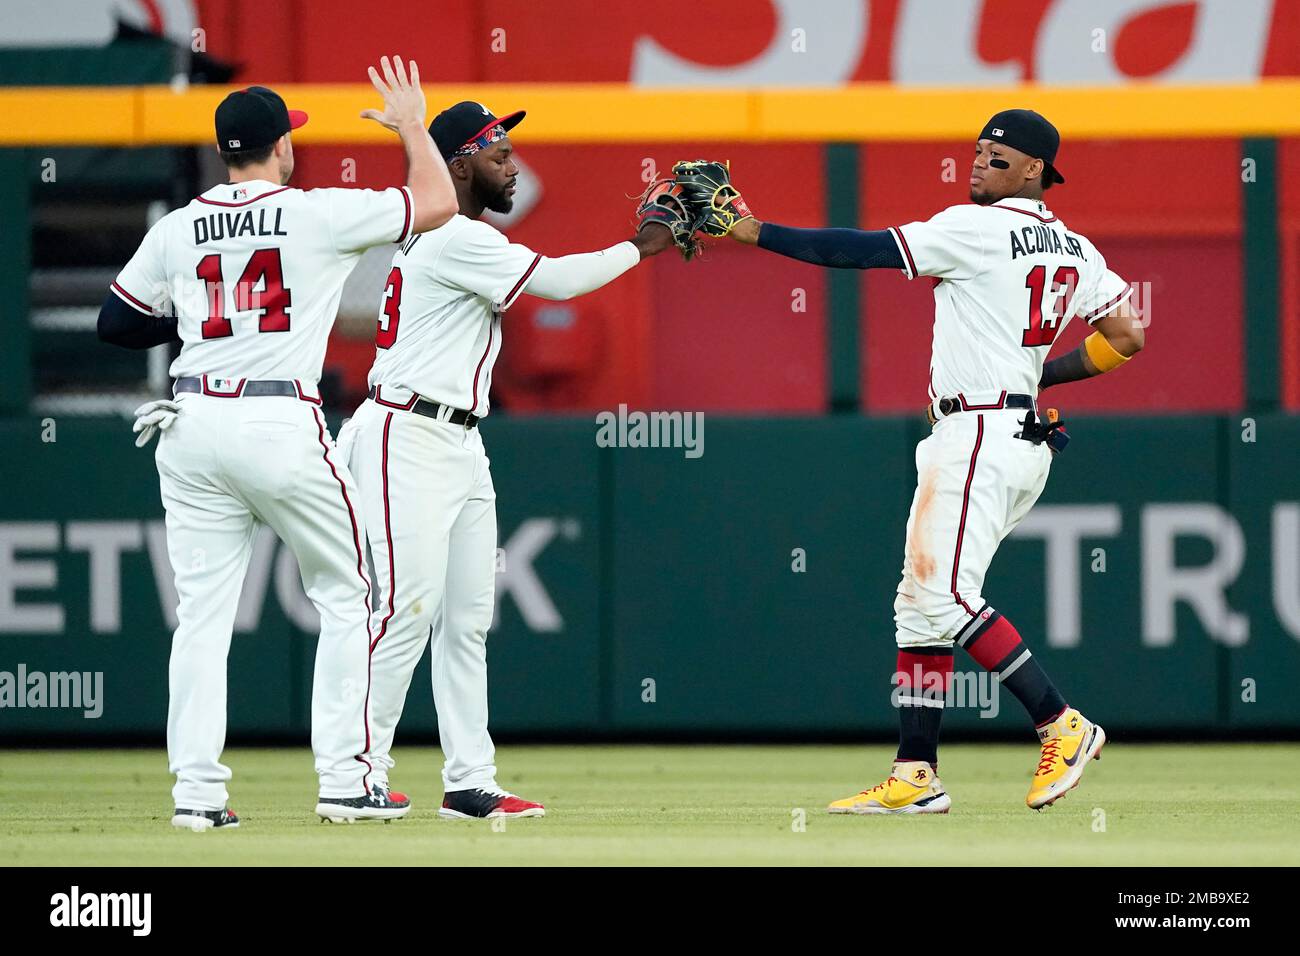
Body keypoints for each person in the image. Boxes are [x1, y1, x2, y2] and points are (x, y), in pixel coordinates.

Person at [689, 110, 1143, 813]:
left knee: (944, 599)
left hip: (979, 437)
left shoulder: (974, 227)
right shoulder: (1075, 249)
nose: (980, 161)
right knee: (918, 610)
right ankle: (916, 774)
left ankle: (1061, 721)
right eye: (978, 151)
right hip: (1009, 429)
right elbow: (1127, 334)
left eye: (998, 156)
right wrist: (1034, 380)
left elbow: (859, 251)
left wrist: (753, 231)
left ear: (1034, 172)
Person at [96, 58, 457, 828]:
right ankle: (345, 780)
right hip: (276, 421)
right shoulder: (314, 212)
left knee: (199, 618)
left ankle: (196, 797)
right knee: (350, 592)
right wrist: (413, 126)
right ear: (280, 149)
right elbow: (436, 201)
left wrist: (193, 324)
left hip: (191, 422)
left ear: (226, 152)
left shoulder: (177, 226)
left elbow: (116, 324)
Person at [338, 100, 678, 819]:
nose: (512, 163)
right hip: (408, 432)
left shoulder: (453, 234)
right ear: (458, 164)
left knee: (464, 618)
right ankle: (355, 771)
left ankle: (468, 781)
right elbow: (556, 282)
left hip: (455, 436)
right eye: (497, 152)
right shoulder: (454, 235)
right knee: (404, 607)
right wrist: (644, 244)